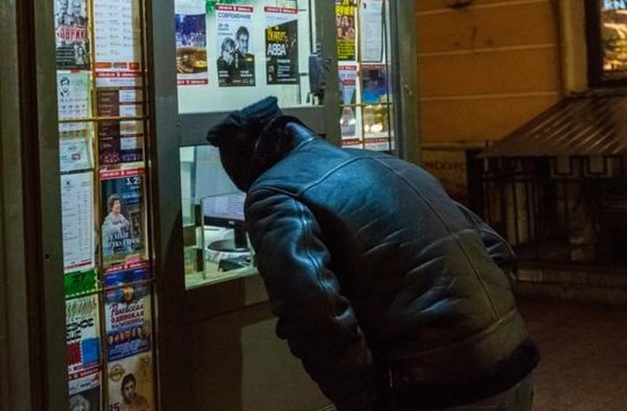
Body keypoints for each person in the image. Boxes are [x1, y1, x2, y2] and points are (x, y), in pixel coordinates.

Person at [205, 97, 539, 411]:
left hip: (437, 388)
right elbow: (496, 249)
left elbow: (313, 314)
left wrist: (362, 400)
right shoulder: (385, 163)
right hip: (512, 360)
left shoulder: (274, 191)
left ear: (248, 164)